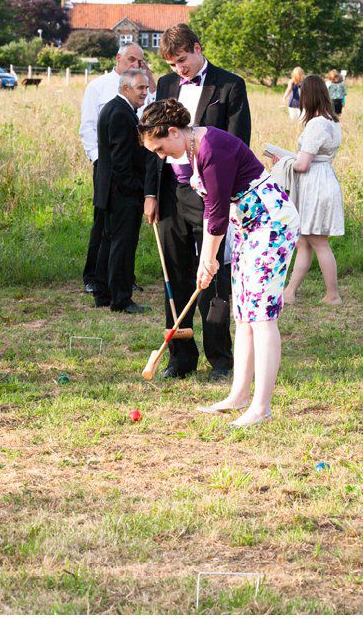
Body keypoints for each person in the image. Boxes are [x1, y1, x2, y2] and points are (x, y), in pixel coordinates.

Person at [139, 99, 299, 427]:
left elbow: (215, 212)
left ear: (173, 132)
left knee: (262, 317)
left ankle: (262, 406)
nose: (159, 155)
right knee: (243, 314)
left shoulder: (211, 148)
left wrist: (207, 260)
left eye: (159, 147)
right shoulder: (190, 151)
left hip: (271, 224)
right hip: (248, 226)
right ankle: (239, 394)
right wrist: (208, 260)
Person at [144, 23, 251, 380]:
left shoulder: (230, 85)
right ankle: (180, 358)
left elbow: (238, 142)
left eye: (183, 60)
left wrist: (224, 195)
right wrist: (150, 194)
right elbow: (153, 143)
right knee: (174, 275)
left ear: (197, 47)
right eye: (172, 64)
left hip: (210, 192)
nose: (179, 69)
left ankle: (221, 359)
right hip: (172, 194)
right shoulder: (165, 84)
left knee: (213, 274)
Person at [79, 42, 155, 295]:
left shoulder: (141, 91)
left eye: (140, 61)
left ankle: (116, 281)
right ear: (118, 58)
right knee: (108, 230)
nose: (137, 64)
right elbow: (88, 127)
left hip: (127, 169)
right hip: (113, 171)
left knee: (118, 234)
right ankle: (100, 282)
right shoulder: (99, 88)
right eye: (132, 60)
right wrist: (100, 161)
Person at [277, 75, 344, 305]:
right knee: (303, 241)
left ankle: (332, 295)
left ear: (309, 96)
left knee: (318, 241)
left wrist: (282, 161)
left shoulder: (317, 124)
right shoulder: (332, 121)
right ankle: (290, 292)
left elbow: (303, 165)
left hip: (316, 183)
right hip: (323, 178)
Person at [92, 69, 152, 313]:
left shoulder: (117, 109)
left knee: (109, 241)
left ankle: (103, 292)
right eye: (140, 88)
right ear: (125, 88)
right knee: (122, 245)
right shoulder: (119, 113)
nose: (145, 93)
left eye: (146, 88)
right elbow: (121, 161)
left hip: (111, 189)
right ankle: (120, 299)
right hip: (121, 192)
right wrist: (137, 190)